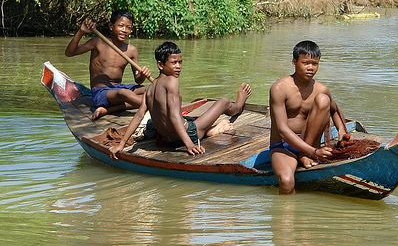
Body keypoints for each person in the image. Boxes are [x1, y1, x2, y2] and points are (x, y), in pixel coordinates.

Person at [109, 41, 252, 159]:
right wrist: (189, 144)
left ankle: (210, 129)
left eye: (180, 62)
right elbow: (173, 116)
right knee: (224, 102)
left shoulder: (150, 88)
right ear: (160, 65)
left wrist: (122, 143)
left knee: (191, 117)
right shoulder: (172, 82)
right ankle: (238, 105)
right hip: (187, 134)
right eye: (174, 63)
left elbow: (139, 115)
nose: (178, 67)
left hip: (167, 140)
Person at [269, 40, 351, 195]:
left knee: (323, 100)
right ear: (294, 62)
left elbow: (335, 110)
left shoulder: (321, 89)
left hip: (309, 143)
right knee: (287, 182)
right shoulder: (279, 88)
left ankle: (304, 156)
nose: (310, 68)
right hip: (284, 146)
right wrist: (315, 152)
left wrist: (341, 130)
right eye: (305, 63)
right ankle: (289, 216)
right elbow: (282, 130)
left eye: (315, 63)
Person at [65, 9, 152, 120]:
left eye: (128, 28)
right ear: (111, 26)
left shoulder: (131, 50)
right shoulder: (98, 42)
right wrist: (81, 32)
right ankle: (154, 105)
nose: (124, 30)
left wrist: (143, 74)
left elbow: (138, 80)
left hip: (120, 89)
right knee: (126, 94)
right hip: (101, 92)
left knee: (153, 89)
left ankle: (108, 110)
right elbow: (69, 53)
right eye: (121, 26)